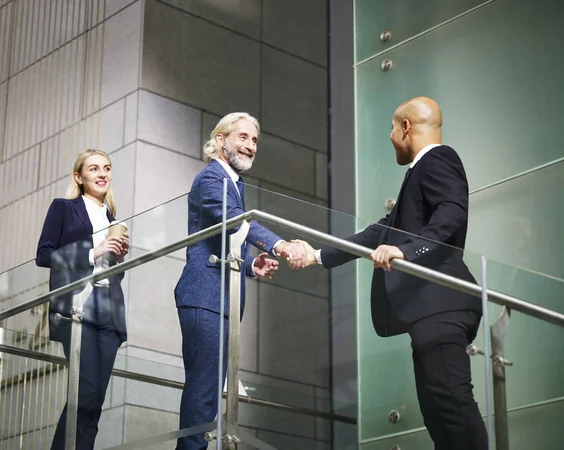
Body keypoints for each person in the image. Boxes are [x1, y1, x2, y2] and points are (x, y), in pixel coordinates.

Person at [293, 97, 488, 450]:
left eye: (391, 128)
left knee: (453, 406)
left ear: (406, 127)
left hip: (442, 307)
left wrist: (407, 251)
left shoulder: (439, 159)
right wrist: (318, 255)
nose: (390, 135)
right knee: (438, 414)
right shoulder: (418, 172)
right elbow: (382, 231)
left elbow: (451, 213)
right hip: (428, 313)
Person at [174, 112, 307, 450]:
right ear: (220, 140)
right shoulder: (211, 179)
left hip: (218, 299)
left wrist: (249, 265)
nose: (250, 146)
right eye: (243, 137)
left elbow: (221, 238)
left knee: (209, 395)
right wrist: (280, 245)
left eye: (254, 141)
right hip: (205, 298)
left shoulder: (233, 183)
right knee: (204, 396)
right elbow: (235, 223)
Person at [36, 149, 130, 450]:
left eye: (106, 168)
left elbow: (113, 274)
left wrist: (118, 259)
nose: (102, 174)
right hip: (78, 308)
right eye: (93, 169)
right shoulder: (64, 208)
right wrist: (93, 251)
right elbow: (44, 255)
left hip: (109, 311)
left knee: (95, 400)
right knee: (85, 393)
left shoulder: (115, 219)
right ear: (79, 176)